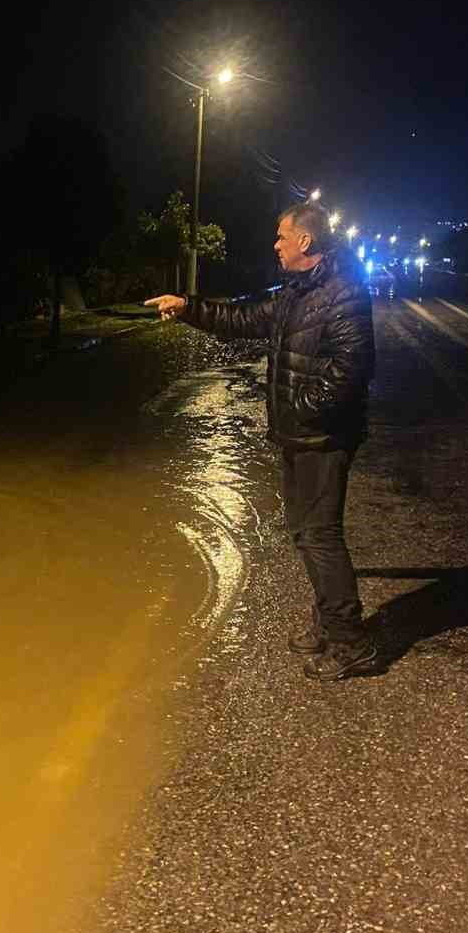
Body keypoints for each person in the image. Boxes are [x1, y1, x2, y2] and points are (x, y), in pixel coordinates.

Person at [146, 202, 378, 680]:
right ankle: (330, 620)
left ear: (305, 243)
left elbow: (350, 371)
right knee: (305, 533)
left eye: (281, 237)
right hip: (301, 435)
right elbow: (244, 320)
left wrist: (299, 408)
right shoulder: (298, 293)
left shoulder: (343, 294)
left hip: (324, 437)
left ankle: (351, 642)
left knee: (319, 535)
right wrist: (188, 306)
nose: (275, 245)